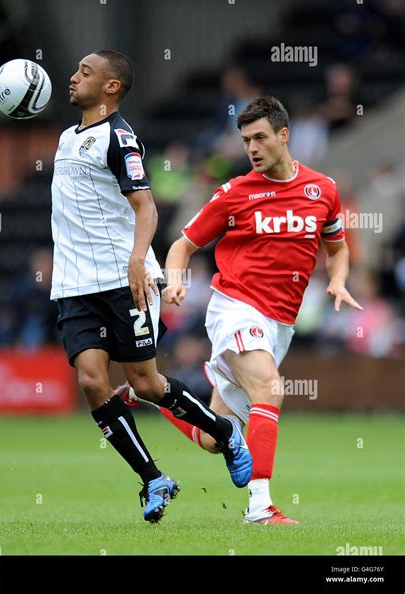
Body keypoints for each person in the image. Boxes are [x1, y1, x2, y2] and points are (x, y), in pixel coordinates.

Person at [50, 50, 253, 523]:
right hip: (74, 285)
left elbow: (147, 208)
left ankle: (224, 433)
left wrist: (139, 260)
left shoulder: (120, 139)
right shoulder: (65, 138)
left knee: (144, 384)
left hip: (125, 280)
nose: (72, 77)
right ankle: (153, 478)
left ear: (111, 87)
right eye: (76, 69)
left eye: (84, 72)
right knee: (91, 382)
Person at [159, 95, 362, 524]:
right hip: (235, 308)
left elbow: (337, 248)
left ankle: (156, 395)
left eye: (260, 137)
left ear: (283, 136)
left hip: (279, 325)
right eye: (246, 139)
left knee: (217, 437)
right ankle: (260, 507)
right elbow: (182, 245)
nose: (251, 147)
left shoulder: (321, 190)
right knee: (270, 389)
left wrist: (339, 279)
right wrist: (175, 278)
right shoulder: (234, 193)